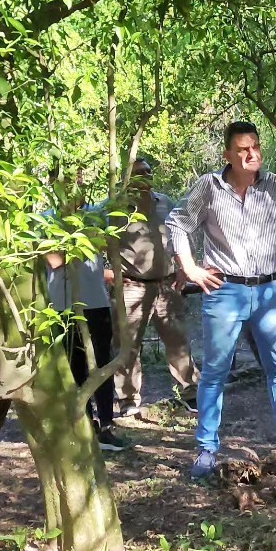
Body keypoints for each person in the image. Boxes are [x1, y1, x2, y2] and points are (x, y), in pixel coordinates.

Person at [168, 120, 276, 479]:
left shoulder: (274, 186)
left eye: (255, 146)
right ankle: (207, 449)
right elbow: (177, 223)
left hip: (269, 292)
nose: (252, 154)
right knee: (215, 372)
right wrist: (189, 267)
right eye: (243, 149)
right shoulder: (209, 187)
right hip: (225, 291)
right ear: (228, 154)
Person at [112, 156, 199, 420]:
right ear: (128, 178)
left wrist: (183, 268)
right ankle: (128, 400)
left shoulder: (165, 203)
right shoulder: (115, 208)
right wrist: (108, 274)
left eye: (149, 171)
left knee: (177, 339)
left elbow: (180, 236)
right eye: (140, 172)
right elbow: (98, 243)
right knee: (127, 345)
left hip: (167, 285)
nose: (147, 176)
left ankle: (190, 392)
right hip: (131, 286)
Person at [44, 218, 132, 454]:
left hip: (96, 302)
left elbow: (109, 244)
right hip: (64, 306)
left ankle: (106, 426)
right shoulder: (48, 219)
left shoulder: (96, 216)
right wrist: (89, 242)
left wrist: (89, 242)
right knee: (75, 368)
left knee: (102, 364)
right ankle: (83, 424)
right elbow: (54, 260)